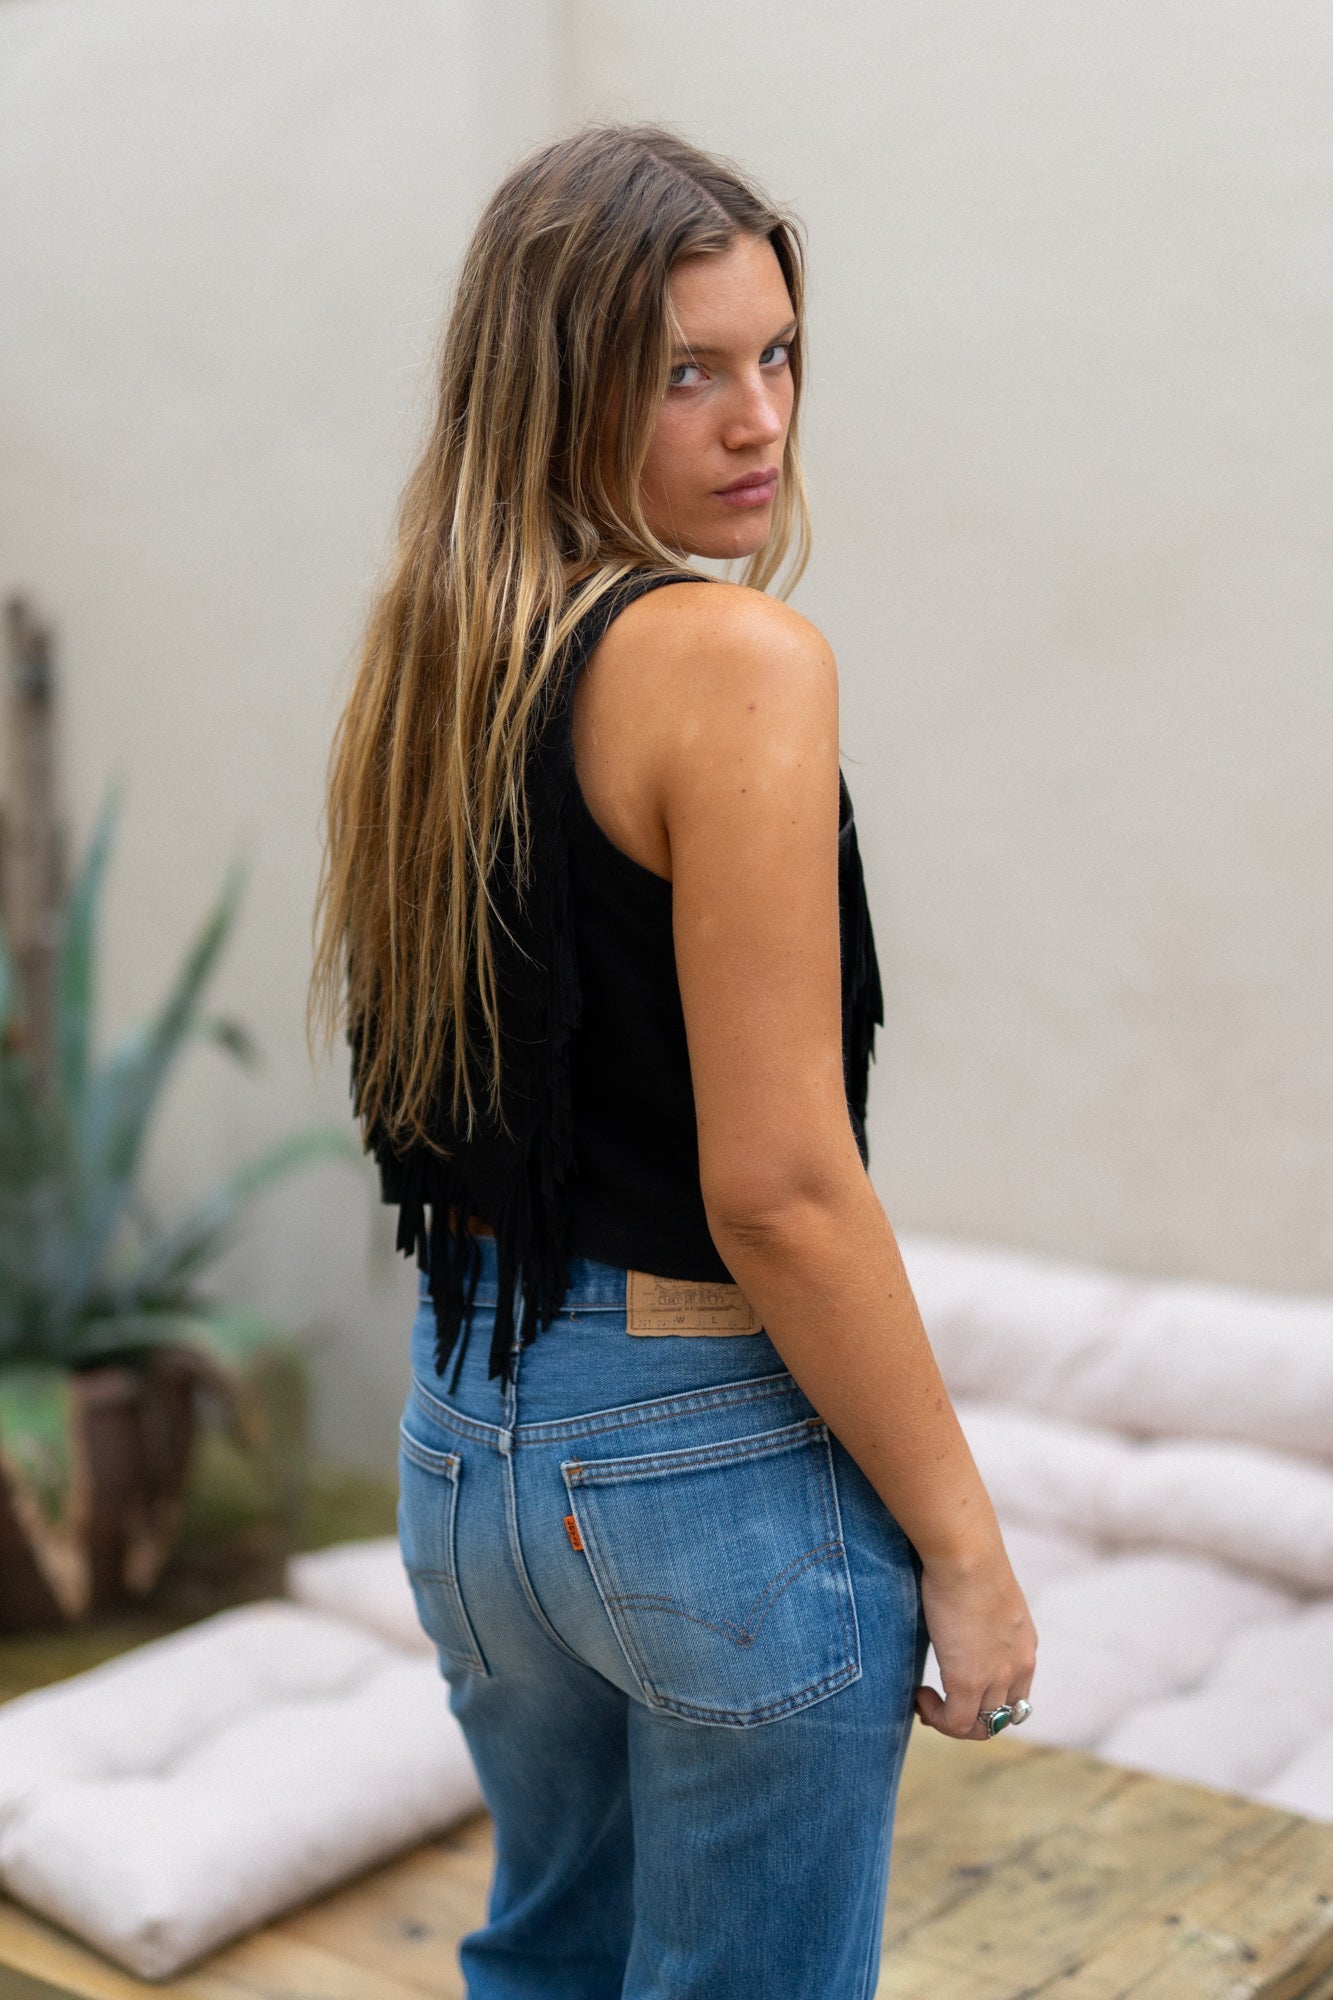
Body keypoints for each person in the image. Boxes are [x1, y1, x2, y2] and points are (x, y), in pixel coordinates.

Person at [310, 121, 1037, 2000]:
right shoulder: (735, 660)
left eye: (774, 354)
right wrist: (964, 1547)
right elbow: (779, 1190)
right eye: (684, 372)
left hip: (467, 1450)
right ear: (553, 389)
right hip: (699, 1459)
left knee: (544, 1965)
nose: (758, 418)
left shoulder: (437, 651)